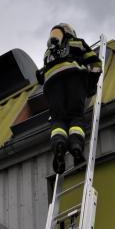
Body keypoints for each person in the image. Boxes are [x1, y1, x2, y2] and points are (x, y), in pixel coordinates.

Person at [36, 23, 102, 174]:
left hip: (52, 85)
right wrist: (91, 85)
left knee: (58, 120)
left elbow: (42, 75)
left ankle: (59, 145)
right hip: (74, 80)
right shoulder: (77, 43)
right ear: (71, 32)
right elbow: (96, 64)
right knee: (76, 116)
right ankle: (76, 146)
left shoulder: (48, 52)